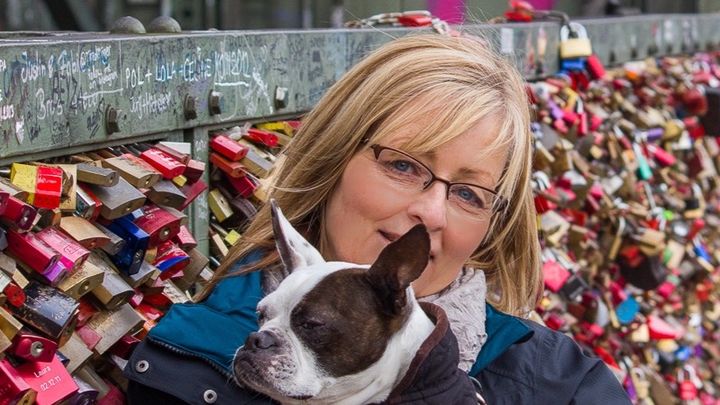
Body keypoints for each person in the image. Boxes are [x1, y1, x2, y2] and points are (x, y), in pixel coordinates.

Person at [124, 33, 632, 404]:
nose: (430, 212)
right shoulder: (186, 359)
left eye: (468, 194)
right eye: (403, 166)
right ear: (330, 161)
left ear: (491, 228)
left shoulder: (563, 387)